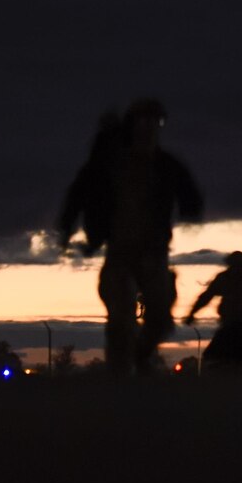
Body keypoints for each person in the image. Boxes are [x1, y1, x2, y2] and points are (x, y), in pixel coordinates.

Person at [58, 98, 204, 375]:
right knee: (120, 315)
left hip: (154, 252)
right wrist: (67, 227)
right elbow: (79, 191)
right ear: (132, 125)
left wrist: (191, 206)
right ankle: (120, 373)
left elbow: (189, 193)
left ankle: (141, 356)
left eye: (155, 121)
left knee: (160, 316)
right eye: (143, 120)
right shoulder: (109, 164)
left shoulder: (166, 165)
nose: (149, 126)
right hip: (120, 251)